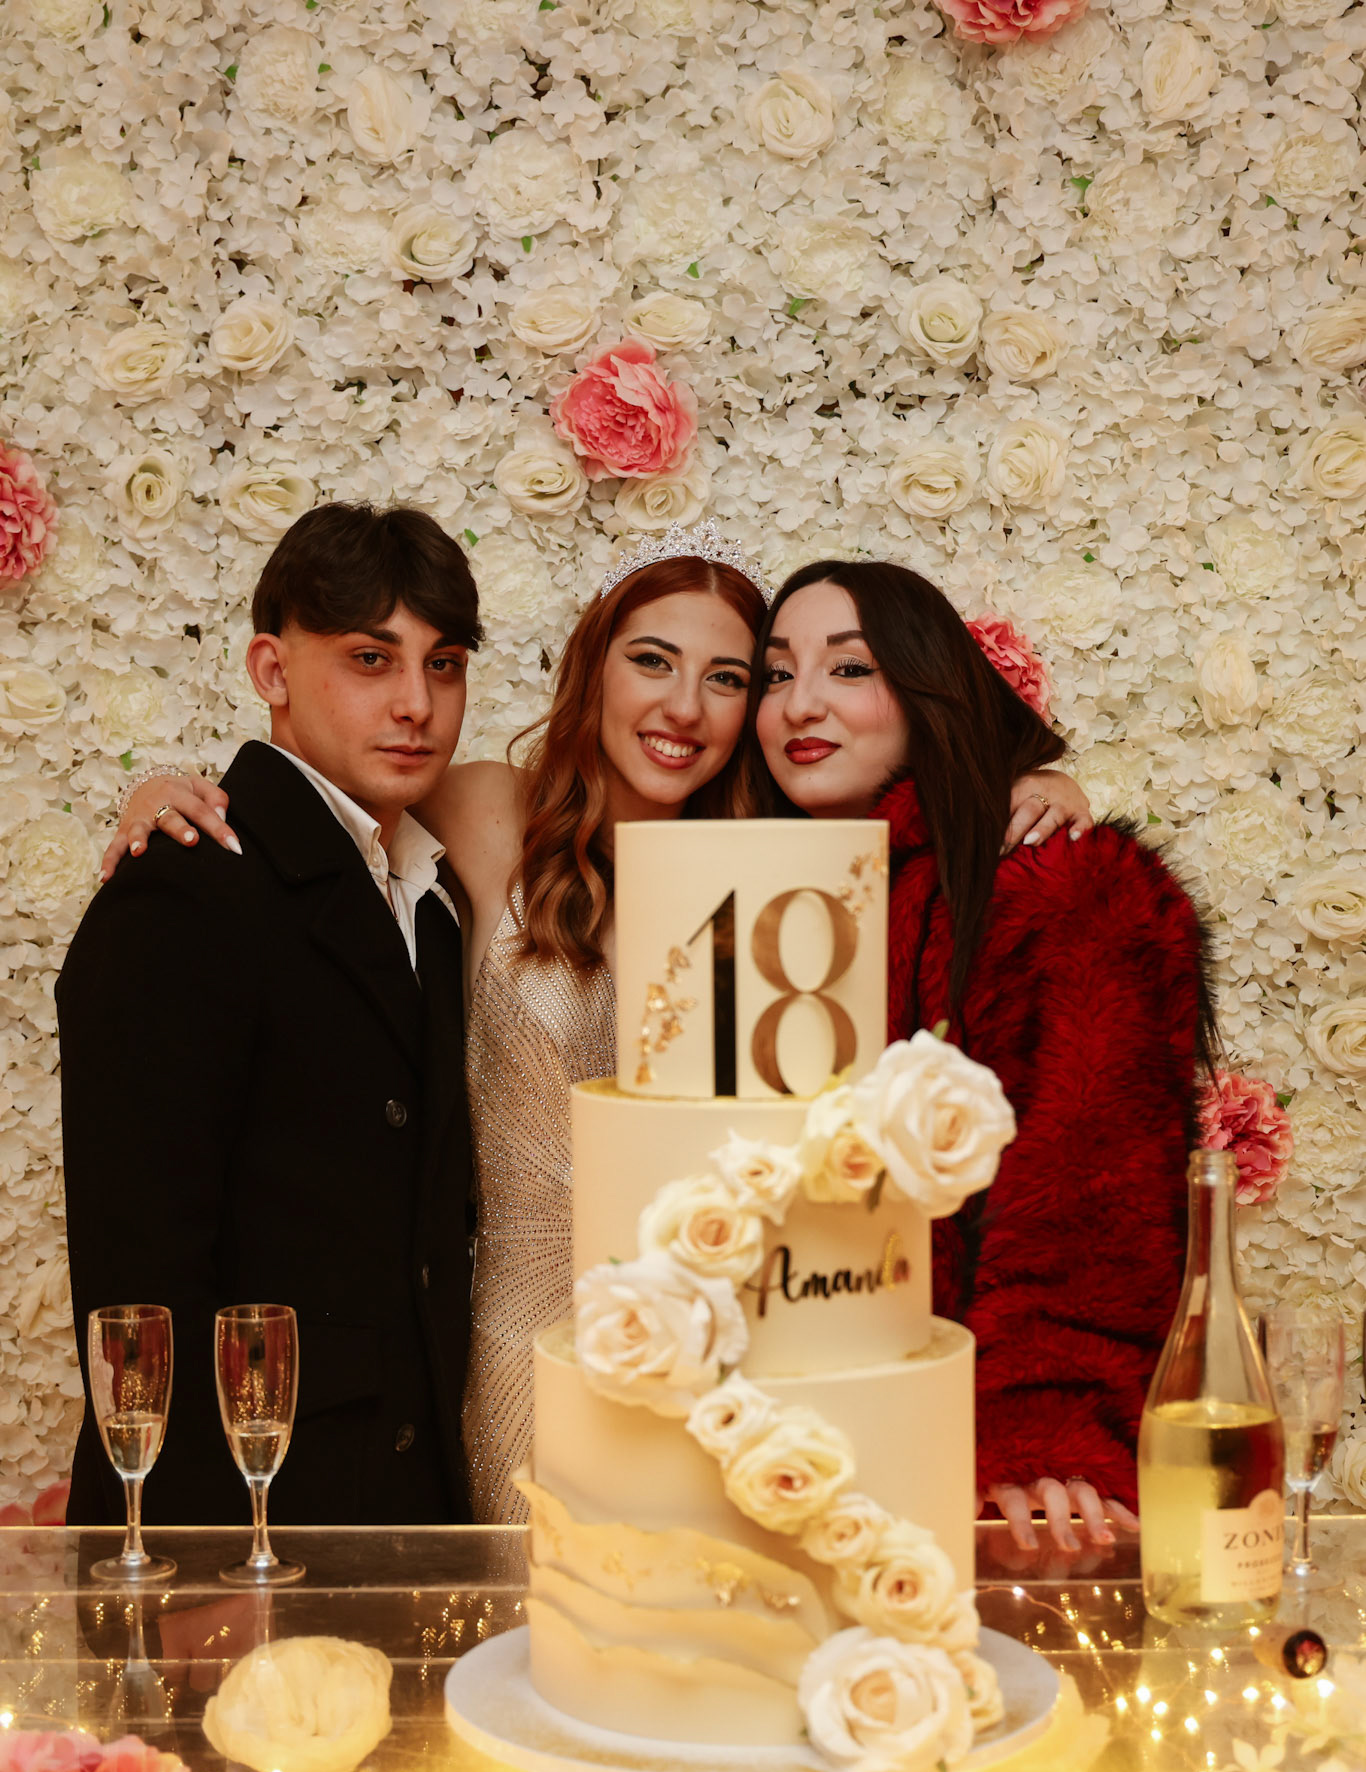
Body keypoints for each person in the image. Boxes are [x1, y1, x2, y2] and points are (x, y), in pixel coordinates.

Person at [103, 526, 1095, 1524]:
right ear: (595, 669)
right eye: (651, 661)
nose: (683, 706)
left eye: (726, 678)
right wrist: (169, 795)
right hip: (519, 1342)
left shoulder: (786, 866)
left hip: (732, 1349)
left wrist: (1045, 786)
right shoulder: (488, 813)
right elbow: (325, 797)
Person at [753, 561, 1215, 1555]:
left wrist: (1042, 1429)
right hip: (793, 1433)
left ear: (930, 689)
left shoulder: (1060, 886)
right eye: (775, 672)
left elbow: (1095, 1194)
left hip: (981, 1464)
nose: (799, 704)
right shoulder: (771, 898)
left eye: (849, 669)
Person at [60, 502, 480, 1527]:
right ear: (271, 670)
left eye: (444, 664)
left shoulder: (429, 891)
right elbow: (137, 1283)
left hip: (404, 1495)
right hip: (247, 1509)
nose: (416, 704)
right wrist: (197, 1554)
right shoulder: (186, 886)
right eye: (371, 659)